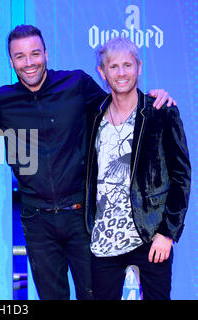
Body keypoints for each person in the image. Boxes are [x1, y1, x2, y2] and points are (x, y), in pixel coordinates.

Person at [0, 25, 174, 300]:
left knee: (94, 294)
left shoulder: (76, 84)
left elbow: (121, 107)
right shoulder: (4, 99)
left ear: (46, 54)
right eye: (20, 56)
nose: (29, 63)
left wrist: (153, 99)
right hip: (37, 222)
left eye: (35, 54)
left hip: (82, 216)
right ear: (11, 61)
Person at [84, 37, 190, 300]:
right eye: (114, 66)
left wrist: (168, 233)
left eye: (128, 65)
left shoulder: (160, 111)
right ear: (102, 72)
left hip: (151, 237)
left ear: (139, 67)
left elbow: (181, 177)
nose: (122, 73)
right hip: (103, 241)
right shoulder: (93, 115)